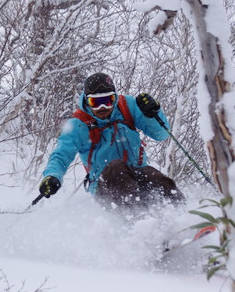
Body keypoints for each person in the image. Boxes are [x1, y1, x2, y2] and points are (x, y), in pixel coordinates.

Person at [38, 72, 183, 210]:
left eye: (108, 101)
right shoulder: (79, 124)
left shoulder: (128, 106)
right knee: (116, 168)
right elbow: (61, 154)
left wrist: (153, 114)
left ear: (115, 98)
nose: (103, 108)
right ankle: (137, 224)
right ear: (87, 101)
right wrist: (52, 176)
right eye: (95, 102)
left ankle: (181, 218)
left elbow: (162, 134)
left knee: (156, 178)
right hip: (104, 183)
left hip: (137, 172)